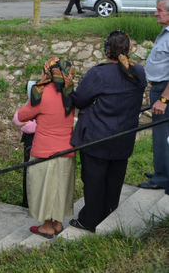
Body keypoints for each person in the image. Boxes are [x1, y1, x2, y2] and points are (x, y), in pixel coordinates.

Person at [69, 31, 146, 232]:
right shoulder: (138, 72)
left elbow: (79, 99)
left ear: (106, 50)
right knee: (115, 179)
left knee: (94, 181)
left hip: (97, 137)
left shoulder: (98, 74)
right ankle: (109, 215)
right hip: (123, 137)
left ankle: (90, 220)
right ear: (130, 49)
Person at [16, 58, 76, 239]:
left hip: (45, 151)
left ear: (48, 72)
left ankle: (48, 227)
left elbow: (21, 115)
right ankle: (58, 223)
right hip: (67, 149)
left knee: (45, 188)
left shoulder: (41, 93)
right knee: (61, 187)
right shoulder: (70, 93)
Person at [139, 0, 169, 190]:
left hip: (164, 91)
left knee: (162, 135)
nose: (155, 13)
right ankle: (162, 171)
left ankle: (162, 178)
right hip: (159, 88)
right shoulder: (165, 33)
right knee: (161, 135)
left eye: (159, 10)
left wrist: (164, 99)